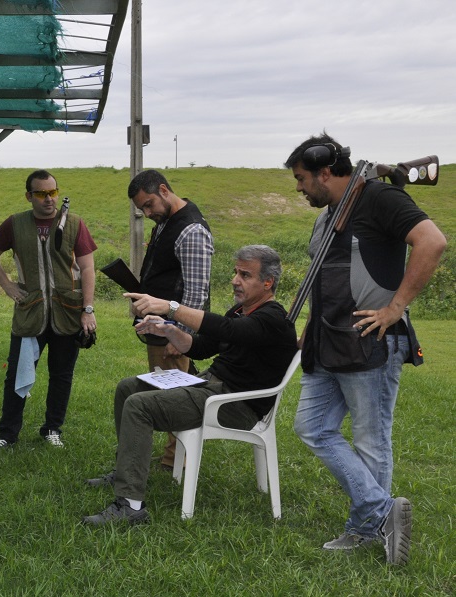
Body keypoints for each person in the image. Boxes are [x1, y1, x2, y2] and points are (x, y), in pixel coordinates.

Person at [284, 133, 446, 566]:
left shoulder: (379, 198)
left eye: (301, 178)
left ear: (324, 171)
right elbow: (326, 275)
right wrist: (309, 326)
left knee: (371, 440)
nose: (298, 187)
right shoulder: (330, 215)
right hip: (326, 340)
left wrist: (395, 308)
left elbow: (432, 242)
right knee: (312, 427)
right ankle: (381, 512)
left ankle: (365, 529)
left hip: (370, 341)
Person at [82, 245, 297, 526]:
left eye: (245, 275)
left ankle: (131, 507)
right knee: (128, 388)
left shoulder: (273, 319)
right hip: (209, 387)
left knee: (139, 406)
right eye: (235, 273)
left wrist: (171, 307)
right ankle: (127, 470)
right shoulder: (240, 311)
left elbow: (228, 330)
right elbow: (201, 347)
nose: (235, 280)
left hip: (235, 404)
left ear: (268, 282)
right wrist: (169, 330)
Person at [0, 169, 98, 450]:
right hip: (30, 313)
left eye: (53, 192)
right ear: (29, 196)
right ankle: (7, 435)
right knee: (16, 375)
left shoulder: (74, 223)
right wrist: (7, 285)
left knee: (61, 376)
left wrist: (88, 309)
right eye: (42, 193)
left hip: (67, 313)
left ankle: (52, 429)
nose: (49, 199)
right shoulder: (15, 224)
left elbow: (87, 268)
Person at [127, 169, 213, 471]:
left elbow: (197, 291)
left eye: (149, 204)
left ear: (164, 190)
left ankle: (175, 461)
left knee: (176, 397)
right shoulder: (167, 221)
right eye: (142, 209)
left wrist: (182, 336)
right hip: (162, 328)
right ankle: (173, 458)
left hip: (175, 333)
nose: (147, 213)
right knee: (165, 390)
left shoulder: (191, 230)